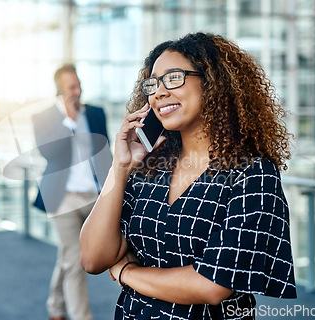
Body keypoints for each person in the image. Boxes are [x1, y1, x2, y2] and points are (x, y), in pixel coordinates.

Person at [80, 32, 296, 320]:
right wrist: (119, 169)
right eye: (152, 84)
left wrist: (127, 272)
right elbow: (93, 258)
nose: (158, 92)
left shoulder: (252, 173)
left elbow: (212, 285)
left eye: (173, 78)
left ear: (213, 83)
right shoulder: (151, 167)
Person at [33, 64, 112, 320]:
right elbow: (50, 153)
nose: (78, 91)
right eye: (72, 88)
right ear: (60, 91)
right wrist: (69, 121)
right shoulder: (43, 118)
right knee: (76, 262)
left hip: (94, 198)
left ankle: (55, 306)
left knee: (67, 257)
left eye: (79, 85)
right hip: (64, 199)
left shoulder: (96, 114)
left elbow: (105, 155)